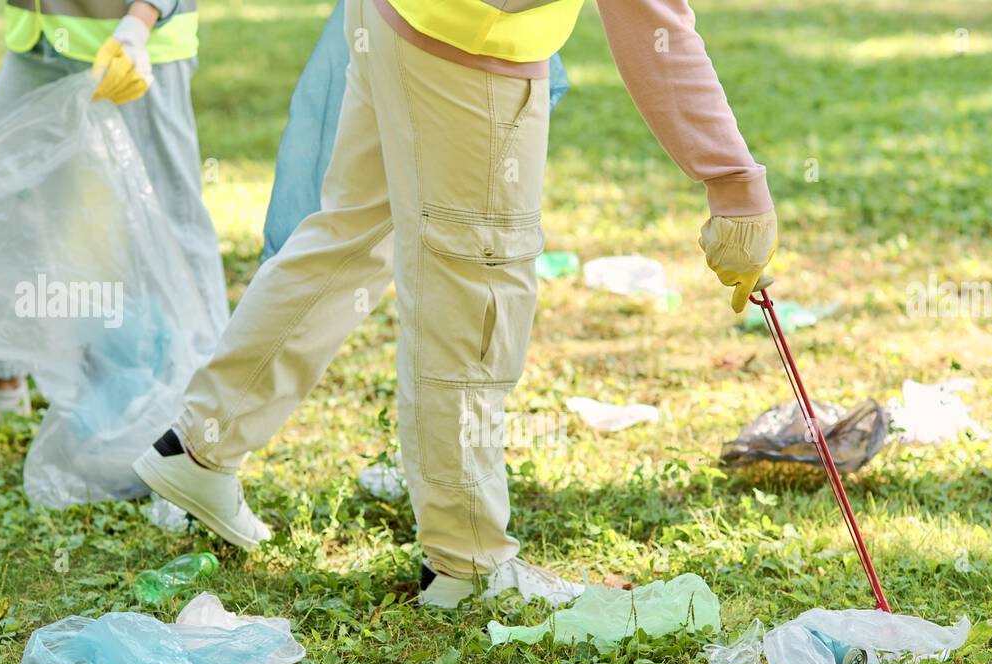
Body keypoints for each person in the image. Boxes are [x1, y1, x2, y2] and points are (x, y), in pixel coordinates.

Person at [134, 0, 776, 608]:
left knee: (349, 238)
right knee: (475, 284)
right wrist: (733, 183)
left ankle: (201, 444)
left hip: (397, 20)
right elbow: (650, 21)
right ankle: (466, 564)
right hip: (465, 43)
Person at [0, 0, 228, 422]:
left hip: (132, 41)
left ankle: (202, 419)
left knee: (168, 220)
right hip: (38, 36)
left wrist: (139, 23)